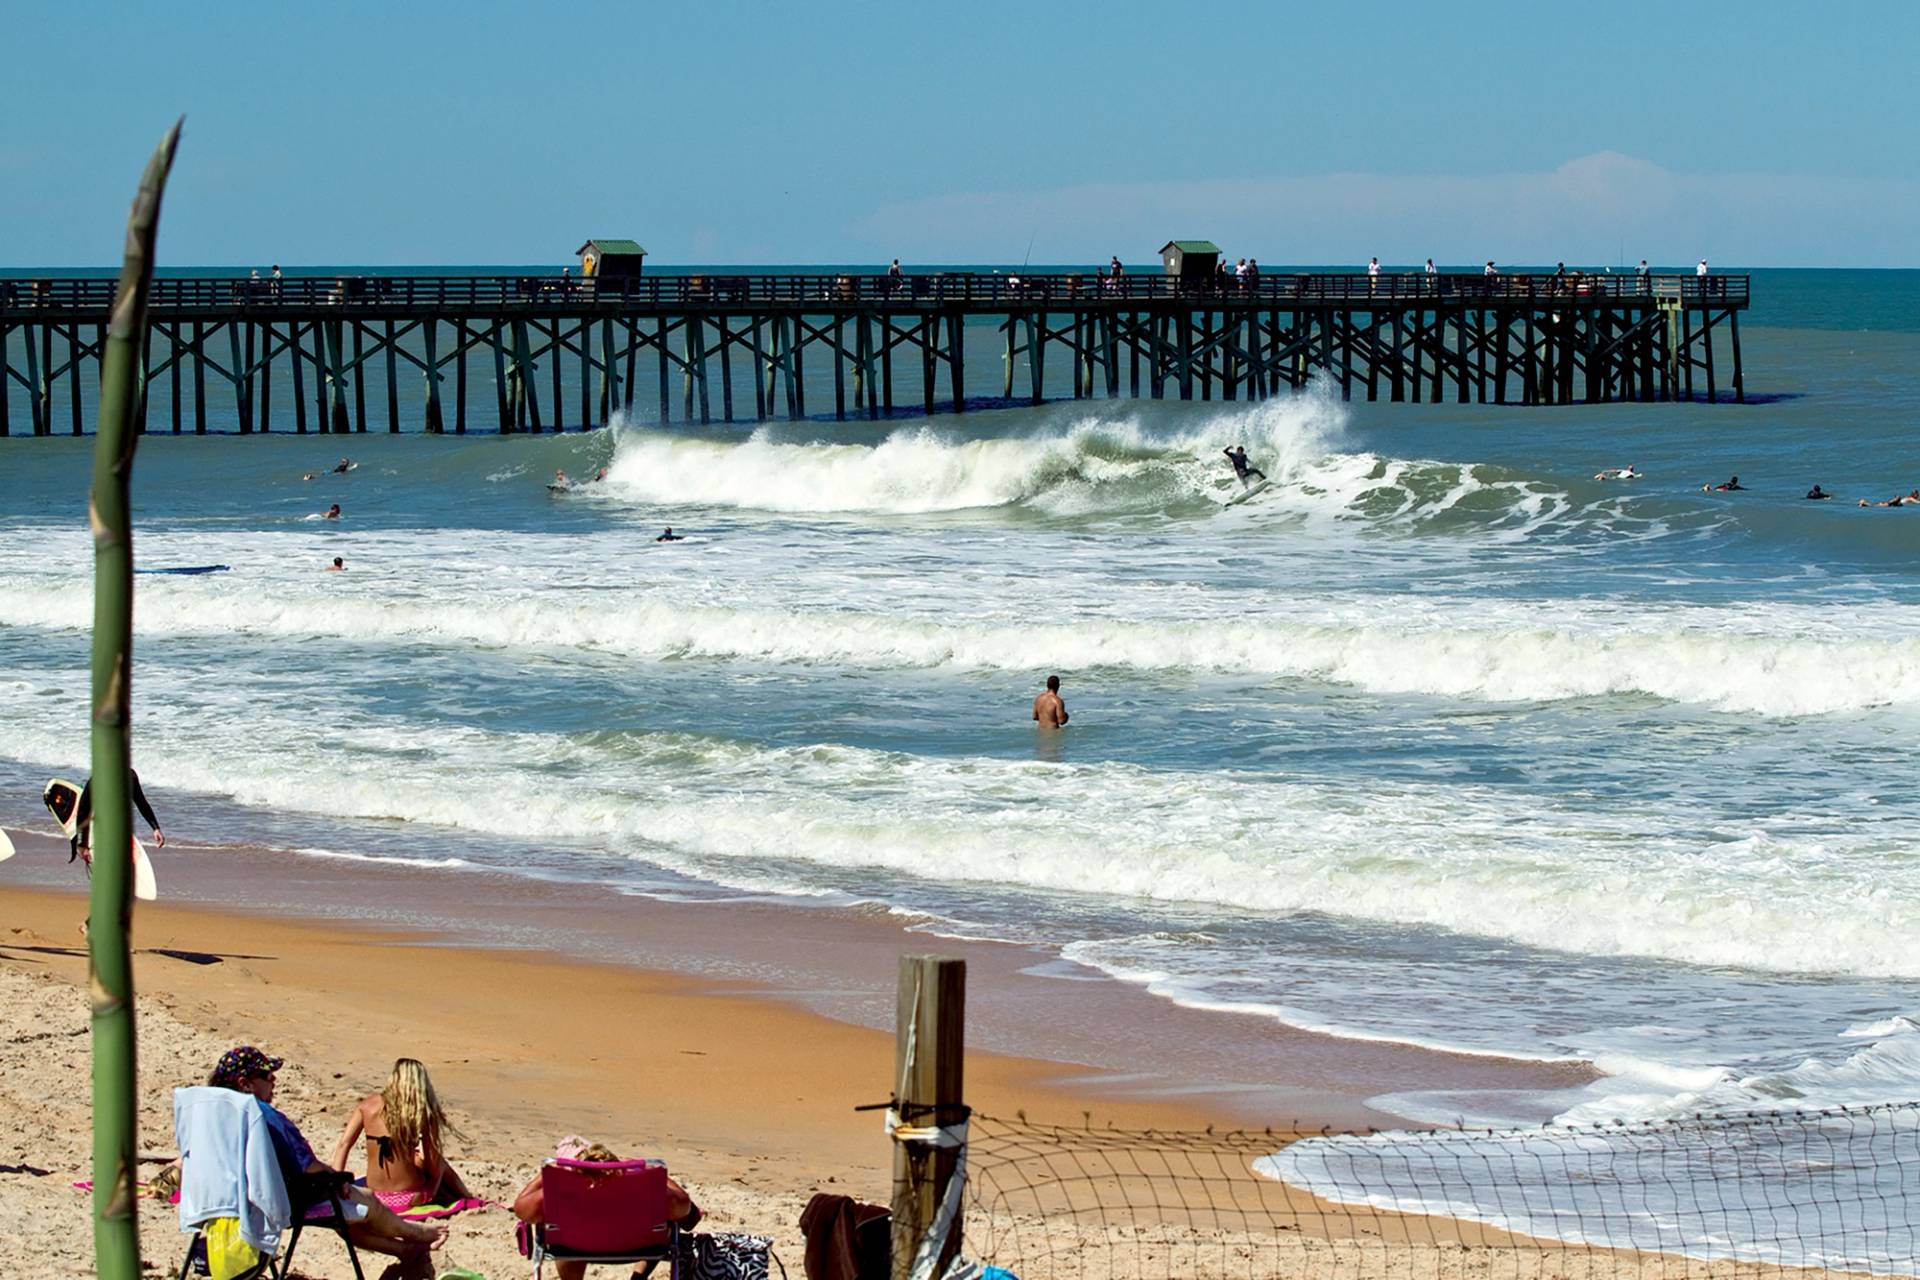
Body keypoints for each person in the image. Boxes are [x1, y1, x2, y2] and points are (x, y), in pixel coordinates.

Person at [205, 1048, 449, 1272]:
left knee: (351, 1210)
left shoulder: (212, 1117)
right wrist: (336, 1178)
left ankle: (405, 1250)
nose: (274, 1080)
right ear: (245, 1084)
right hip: (280, 1201)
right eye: (267, 1075)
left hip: (224, 1198)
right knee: (366, 1201)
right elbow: (309, 1166)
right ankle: (417, 1233)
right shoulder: (265, 1116)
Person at [513, 1137, 700, 1280]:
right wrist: (652, 1173)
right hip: (638, 1246)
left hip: (573, 1248)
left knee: (564, 1228)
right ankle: (638, 1276)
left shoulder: (558, 1194)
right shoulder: (644, 1190)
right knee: (662, 1224)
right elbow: (684, 1207)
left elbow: (520, 1209)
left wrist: (545, 1175)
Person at [330, 1058, 473, 1213]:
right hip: (408, 1197)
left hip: (374, 1194)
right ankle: (468, 1197)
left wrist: (337, 1182)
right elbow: (433, 1162)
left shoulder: (367, 1106)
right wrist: (433, 1184)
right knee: (439, 1163)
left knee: (416, 1159)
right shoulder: (420, 1111)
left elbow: (344, 1144)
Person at [71, 768, 164, 864]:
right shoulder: (98, 779)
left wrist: (155, 828)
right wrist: (82, 844)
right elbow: (83, 810)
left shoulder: (130, 777)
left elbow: (141, 803)